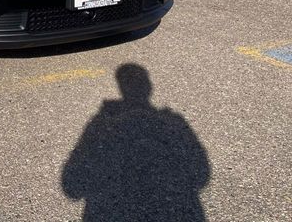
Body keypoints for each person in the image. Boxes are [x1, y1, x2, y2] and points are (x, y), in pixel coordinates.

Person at [62, 64, 211, 221]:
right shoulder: (173, 121)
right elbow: (201, 174)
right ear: (149, 87)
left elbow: (72, 187)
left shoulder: (101, 123)